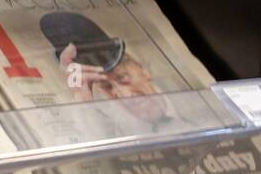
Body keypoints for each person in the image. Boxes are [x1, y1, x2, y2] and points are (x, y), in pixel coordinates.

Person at [39, 11, 172, 129]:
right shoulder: (113, 124)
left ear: (143, 70)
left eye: (122, 78)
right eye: (107, 87)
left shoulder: (182, 92)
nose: (124, 95)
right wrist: (81, 94)